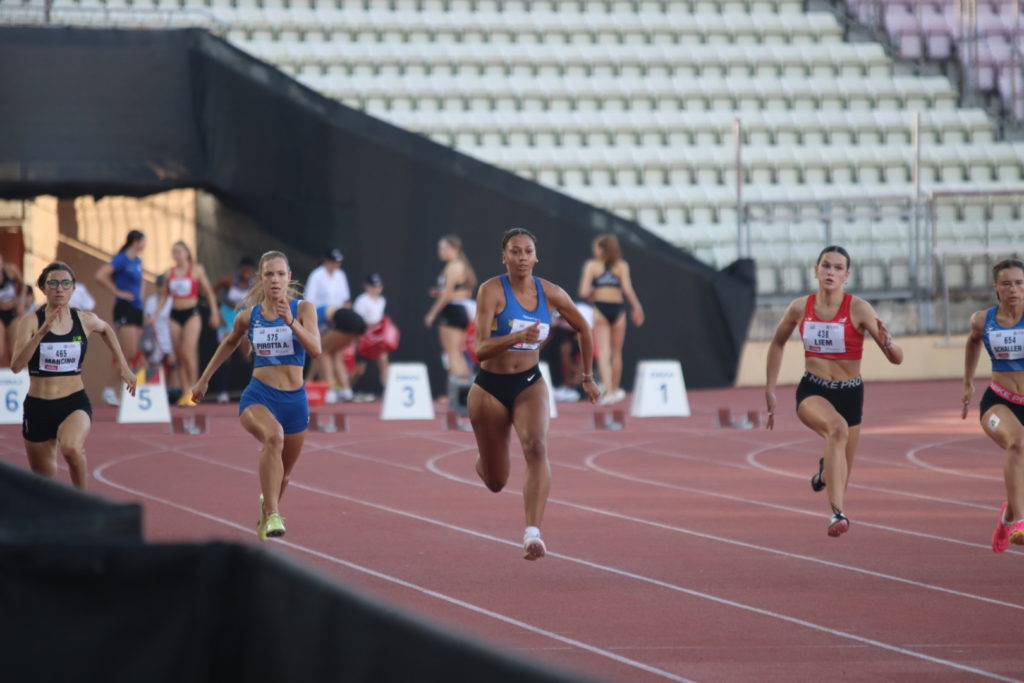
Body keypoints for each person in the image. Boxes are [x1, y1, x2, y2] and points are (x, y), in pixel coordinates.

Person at [469, 228, 600, 560]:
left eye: (527, 251)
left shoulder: (551, 293)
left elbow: (584, 328)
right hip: (489, 387)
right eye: (515, 251)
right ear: (504, 256)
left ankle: (532, 535)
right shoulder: (491, 291)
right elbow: (480, 349)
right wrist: (516, 337)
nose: (522, 257)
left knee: (537, 446)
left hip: (530, 382)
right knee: (497, 481)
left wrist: (587, 377)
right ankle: (485, 459)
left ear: (535, 257)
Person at [765, 245, 903, 537]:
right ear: (816, 270)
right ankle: (837, 514)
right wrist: (770, 389)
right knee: (837, 430)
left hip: (850, 394)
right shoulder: (800, 307)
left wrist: (889, 343)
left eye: (838, 268)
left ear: (846, 276)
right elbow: (777, 343)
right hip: (813, 390)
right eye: (826, 266)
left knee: (839, 470)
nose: (831, 272)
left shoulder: (859, 309)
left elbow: (896, 358)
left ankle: (824, 473)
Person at [191, 250, 321, 541]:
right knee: (273, 436)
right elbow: (228, 342)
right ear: (261, 279)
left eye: (280, 274)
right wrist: (203, 380)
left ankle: (267, 509)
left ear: (289, 278)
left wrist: (291, 322)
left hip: (295, 401)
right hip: (259, 396)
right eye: (269, 274)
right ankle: (274, 513)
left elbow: (316, 349)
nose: (275, 280)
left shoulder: (303, 309)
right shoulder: (249, 317)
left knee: (284, 475)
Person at [11, 262, 137, 489]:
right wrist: (41, 333)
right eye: (54, 283)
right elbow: (16, 365)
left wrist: (124, 368)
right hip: (38, 407)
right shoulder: (30, 322)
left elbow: (107, 329)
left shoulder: (84, 319)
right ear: (43, 288)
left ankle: (83, 500)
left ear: (73, 289)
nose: (60, 288)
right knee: (45, 486)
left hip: (73, 402)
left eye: (66, 283)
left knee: (71, 447)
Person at [961, 257, 1024, 553]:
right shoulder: (982, 320)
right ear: (996, 286)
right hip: (999, 401)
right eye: (1007, 284)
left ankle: (1006, 518)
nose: (1014, 289)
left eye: (1020, 283)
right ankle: (1020, 522)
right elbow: (973, 341)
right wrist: (968, 382)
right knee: (1018, 443)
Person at [578, 234, 644, 406]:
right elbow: (628, 290)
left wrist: (594, 291)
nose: (594, 250)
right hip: (618, 309)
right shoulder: (621, 265)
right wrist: (637, 307)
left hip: (600, 309)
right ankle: (613, 390)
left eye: (596, 247)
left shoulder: (592, 265)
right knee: (616, 354)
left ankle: (608, 392)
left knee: (604, 355)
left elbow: (583, 292)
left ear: (601, 249)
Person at [155, 241, 221, 407]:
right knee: (178, 354)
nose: (176, 255)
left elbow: (209, 292)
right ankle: (185, 390)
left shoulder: (196, 270)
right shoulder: (169, 273)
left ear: (187, 253)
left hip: (192, 313)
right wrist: (155, 313)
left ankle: (194, 387)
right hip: (174, 315)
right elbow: (163, 296)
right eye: (174, 252)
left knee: (187, 352)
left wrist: (214, 312)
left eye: (179, 251)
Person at [95, 229, 145, 406]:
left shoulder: (138, 261)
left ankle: (124, 391)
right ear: (136, 241)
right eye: (142, 241)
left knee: (133, 354)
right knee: (128, 351)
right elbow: (100, 275)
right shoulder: (122, 258)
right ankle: (109, 388)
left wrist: (142, 303)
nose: (144, 245)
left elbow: (141, 284)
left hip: (137, 308)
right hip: (125, 308)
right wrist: (117, 292)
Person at [425, 235, 478, 384]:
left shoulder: (455, 266)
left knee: (452, 353)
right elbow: (463, 292)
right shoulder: (458, 266)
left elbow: (448, 294)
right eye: (440, 248)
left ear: (454, 249)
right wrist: (440, 292)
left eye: (444, 248)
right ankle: (465, 391)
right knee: (458, 354)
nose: (441, 251)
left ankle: (461, 393)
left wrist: (431, 314)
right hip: (458, 311)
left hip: (453, 311)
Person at [305, 248, 353, 402]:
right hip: (321, 318)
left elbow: (345, 300)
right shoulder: (317, 275)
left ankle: (342, 389)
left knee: (331, 352)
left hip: (338, 320)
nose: (335, 265)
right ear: (326, 261)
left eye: (338, 262)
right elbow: (309, 300)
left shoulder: (341, 275)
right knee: (323, 352)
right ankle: (331, 389)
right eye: (333, 262)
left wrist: (346, 320)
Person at [211, 256, 257, 403]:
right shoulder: (228, 280)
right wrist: (216, 312)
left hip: (243, 318)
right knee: (225, 354)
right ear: (240, 269)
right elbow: (210, 292)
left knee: (246, 353)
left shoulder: (254, 284)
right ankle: (222, 392)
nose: (247, 273)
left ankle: (252, 391)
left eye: (251, 271)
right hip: (227, 317)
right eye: (245, 270)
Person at [351, 272, 392, 397]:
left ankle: (388, 390)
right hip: (364, 338)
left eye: (378, 286)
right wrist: (372, 324)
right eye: (373, 286)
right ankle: (346, 388)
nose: (376, 289)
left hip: (377, 338)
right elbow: (357, 320)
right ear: (366, 286)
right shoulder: (361, 300)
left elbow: (379, 318)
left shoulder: (382, 300)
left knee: (384, 361)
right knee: (360, 370)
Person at [0, 252, 26, 367]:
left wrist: (21, 301)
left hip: (13, 313)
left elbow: (24, 286)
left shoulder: (10, 270)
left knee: (15, 349)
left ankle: (17, 377)